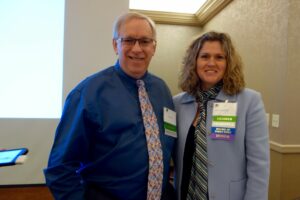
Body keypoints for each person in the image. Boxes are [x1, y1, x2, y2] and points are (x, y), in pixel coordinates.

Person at [44, 12, 176, 200]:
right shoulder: (87, 94)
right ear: (116, 45)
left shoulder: (162, 90)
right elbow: (59, 169)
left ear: (154, 47)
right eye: (129, 40)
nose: (137, 49)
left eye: (145, 41)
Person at [173, 31, 270, 200]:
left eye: (219, 57)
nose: (211, 63)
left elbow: (259, 167)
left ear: (229, 63)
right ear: (194, 61)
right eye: (204, 56)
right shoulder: (177, 104)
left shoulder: (249, 102)